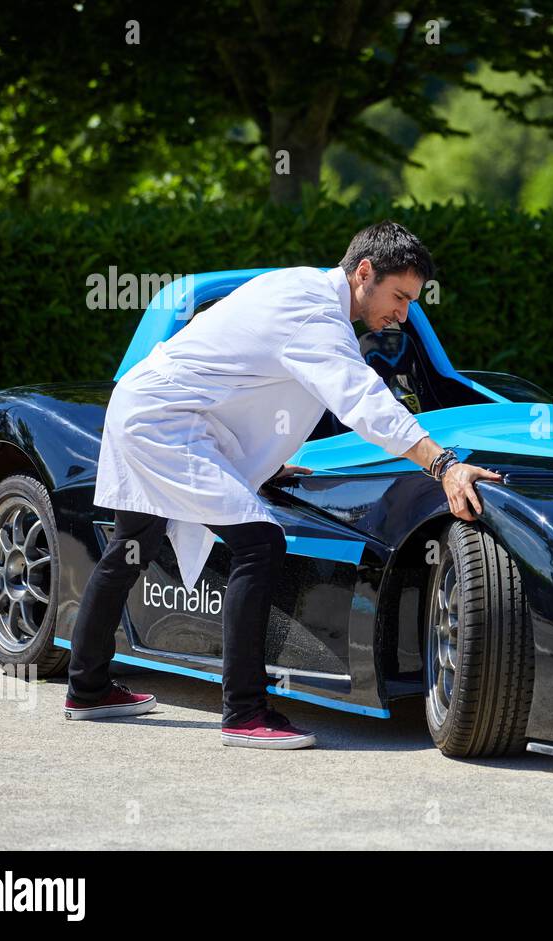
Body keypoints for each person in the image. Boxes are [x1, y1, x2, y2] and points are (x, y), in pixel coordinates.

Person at [64, 221, 501, 749]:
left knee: (131, 548)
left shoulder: (302, 289)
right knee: (260, 542)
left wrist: (261, 465)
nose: (404, 314)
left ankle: (87, 688)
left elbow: (239, 373)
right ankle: (244, 713)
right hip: (164, 422)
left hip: (155, 409)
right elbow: (364, 402)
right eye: (400, 296)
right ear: (365, 272)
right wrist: (444, 465)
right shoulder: (315, 313)